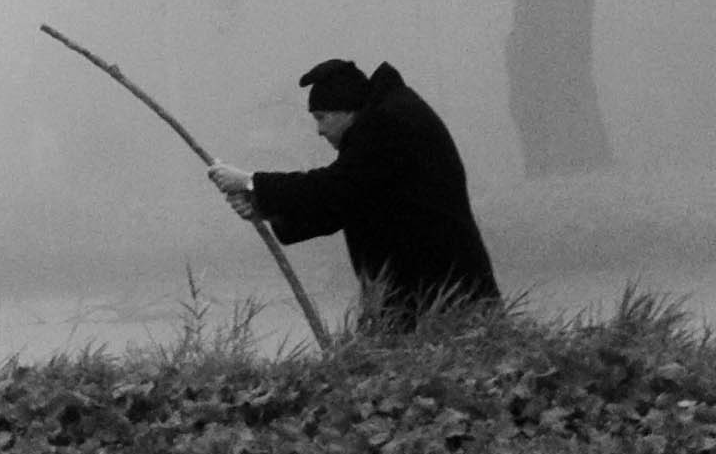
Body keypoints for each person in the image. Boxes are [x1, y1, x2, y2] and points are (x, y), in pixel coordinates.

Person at [209, 57, 502, 332]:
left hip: (442, 296)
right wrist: (264, 208)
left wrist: (251, 183)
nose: (319, 131)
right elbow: (344, 203)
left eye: (322, 118)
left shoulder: (390, 125)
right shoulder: (384, 122)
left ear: (346, 110)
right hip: (423, 296)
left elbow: (335, 186)